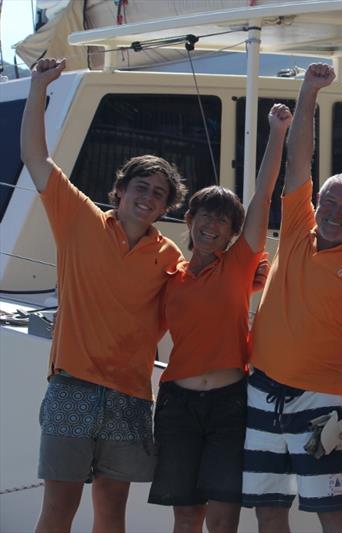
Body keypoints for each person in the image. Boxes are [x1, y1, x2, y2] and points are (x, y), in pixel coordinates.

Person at [21, 58, 186, 533]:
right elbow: (36, 157)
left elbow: (196, 298)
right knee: (58, 509)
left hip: (132, 397)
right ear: (119, 191)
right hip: (71, 386)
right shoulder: (79, 220)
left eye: (159, 194)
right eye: (141, 187)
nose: (149, 198)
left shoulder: (168, 253)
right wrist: (38, 88)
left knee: (111, 511)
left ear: (165, 206)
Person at [242, 63, 342, 533]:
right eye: (329, 203)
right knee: (269, 511)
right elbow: (299, 159)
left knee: (332, 516)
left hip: (321, 405)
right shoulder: (299, 229)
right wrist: (310, 91)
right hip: (260, 392)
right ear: (314, 204)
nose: (336, 214)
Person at [147, 104, 292, 533]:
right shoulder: (167, 278)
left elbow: (264, 194)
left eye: (223, 220)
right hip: (177, 404)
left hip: (231, 403)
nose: (213, 224)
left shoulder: (239, 264)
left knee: (224, 518)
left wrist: (277, 131)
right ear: (189, 220)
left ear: (233, 233)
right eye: (205, 215)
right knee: (187, 516)